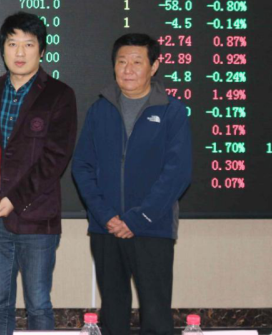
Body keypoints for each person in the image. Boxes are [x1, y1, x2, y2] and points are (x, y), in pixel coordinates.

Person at [72, 33, 192, 335]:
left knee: (156, 314)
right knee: (113, 313)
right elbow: (82, 166)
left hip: (153, 227)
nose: (128, 69)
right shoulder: (100, 110)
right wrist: (105, 215)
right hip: (107, 228)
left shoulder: (172, 111)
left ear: (154, 66)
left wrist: (139, 218)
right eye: (122, 62)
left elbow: (177, 173)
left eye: (137, 62)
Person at [0, 11, 78, 335]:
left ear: (41, 50)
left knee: (38, 304)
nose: (19, 52)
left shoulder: (59, 95)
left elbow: (54, 160)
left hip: (37, 218)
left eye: (28, 44)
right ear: (2, 48)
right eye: (12, 43)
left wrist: (15, 199)